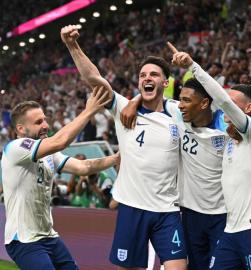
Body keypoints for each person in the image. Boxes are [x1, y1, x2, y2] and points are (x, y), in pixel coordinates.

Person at [61, 25, 187, 270]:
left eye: (153, 74)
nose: (147, 78)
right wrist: (72, 46)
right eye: (142, 75)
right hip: (132, 208)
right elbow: (94, 79)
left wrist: (191, 66)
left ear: (165, 81)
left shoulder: (178, 113)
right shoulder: (123, 108)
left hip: (168, 210)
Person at [168, 44, 251, 270]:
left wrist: (192, 66)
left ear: (247, 109)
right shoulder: (227, 136)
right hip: (231, 228)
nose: (225, 107)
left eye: (233, 104)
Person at [2, 87, 120, 270]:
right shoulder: (16, 148)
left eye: (45, 120)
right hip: (24, 240)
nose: (45, 126)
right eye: (38, 122)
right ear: (21, 128)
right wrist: (89, 111)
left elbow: (83, 167)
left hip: (49, 236)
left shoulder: (49, 154)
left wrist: (116, 158)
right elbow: (60, 141)